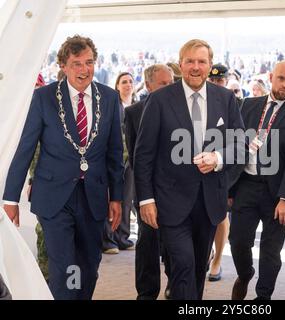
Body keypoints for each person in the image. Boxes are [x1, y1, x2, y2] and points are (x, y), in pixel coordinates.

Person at [2, 35, 124, 300]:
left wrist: (117, 196)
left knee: (89, 266)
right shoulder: (43, 98)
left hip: (93, 196)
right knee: (65, 266)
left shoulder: (110, 98)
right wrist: (10, 198)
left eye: (89, 62)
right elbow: (25, 148)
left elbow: (115, 153)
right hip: (54, 197)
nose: (84, 70)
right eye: (77, 63)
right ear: (64, 66)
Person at [133, 39, 245, 300]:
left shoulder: (226, 98)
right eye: (190, 61)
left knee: (196, 269)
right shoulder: (159, 100)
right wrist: (146, 199)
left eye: (202, 61)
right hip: (170, 202)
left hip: (209, 203)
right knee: (182, 265)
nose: (196, 67)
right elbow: (144, 154)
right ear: (181, 64)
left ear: (209, 65)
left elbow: (241, 143)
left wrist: (217, 157)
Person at [229, 61, 285, 300]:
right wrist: (229, 189)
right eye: (282, 79)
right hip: (246, 185)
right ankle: (245, 274)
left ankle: (263, 297)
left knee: (271, 251)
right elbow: (235, 146)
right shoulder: (248, 105)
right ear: (271, 77)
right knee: (238, 241)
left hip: (276, 194)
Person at [125, 64, 174, 300]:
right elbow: (135, 157)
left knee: (175, 241)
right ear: (148, 85)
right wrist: (145, 194)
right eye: (164, 83)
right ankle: (146, 292)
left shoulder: (181, 108)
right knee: (147, 242)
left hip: (176, 189)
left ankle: (174, 283)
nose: (170, 88)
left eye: (172, 83)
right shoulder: (134, 112)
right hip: (147, 189)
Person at [102, 72, 137, 254]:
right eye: (124, 82)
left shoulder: (137, 105)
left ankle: (122, 237)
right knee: (112, 198)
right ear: (117, 85)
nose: (128, 85)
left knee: (127, 199)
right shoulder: (113, 105)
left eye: (130, 81)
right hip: (114, 158)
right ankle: (109, 239)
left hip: (131, 159)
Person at [206, 63, 231, 282]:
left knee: (221, 216)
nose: (215, 84)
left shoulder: (234, 103)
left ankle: (217, 260)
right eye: (212, 80)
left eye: (219, 80)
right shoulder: (201, 102)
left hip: (224, 168)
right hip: (200, 166)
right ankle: (208, 253)